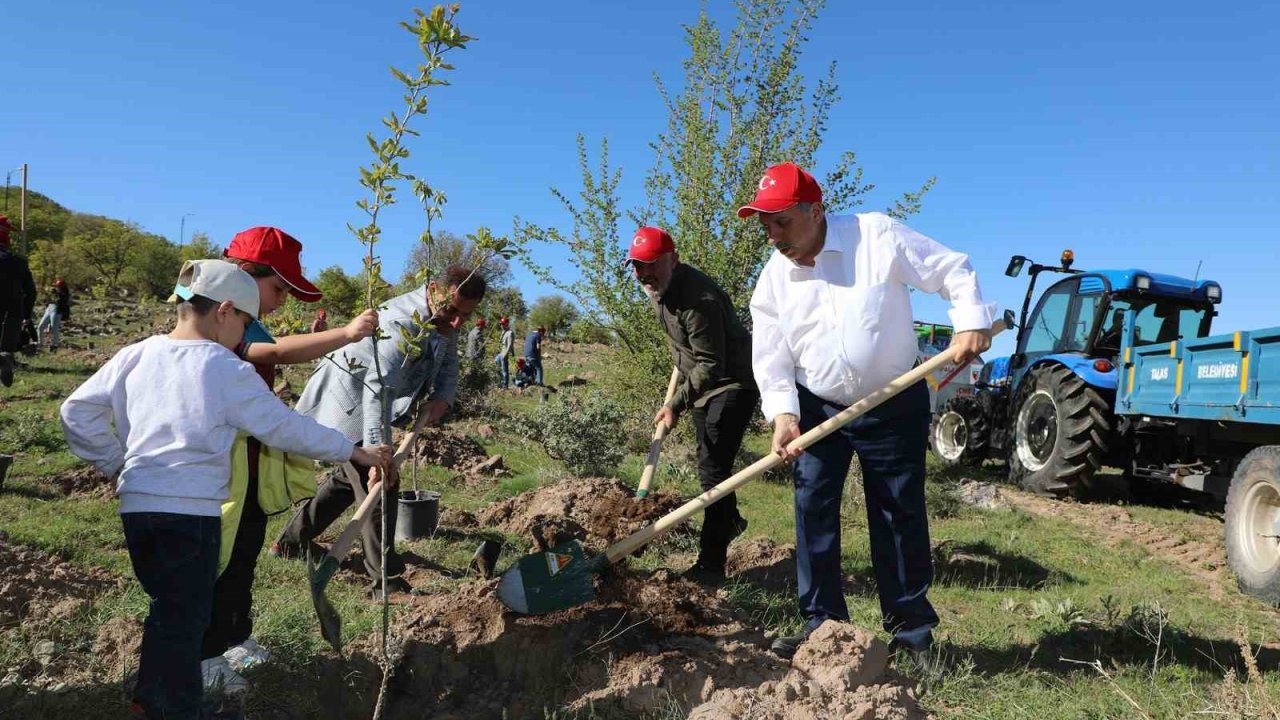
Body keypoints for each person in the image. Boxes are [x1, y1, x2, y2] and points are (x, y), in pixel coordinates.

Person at [59, 259, 391, 720]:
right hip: (191, 515)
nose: (247, 335)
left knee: (168, 610)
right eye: (247, 323)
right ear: (226, 310)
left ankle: (149, 698)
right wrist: (352, 452)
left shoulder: (136, 354)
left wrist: (118, 465)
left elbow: (76, 412)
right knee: (186, 618)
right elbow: (283, 427)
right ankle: (172, 707)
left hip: (139, 511)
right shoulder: (222, 366)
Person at [741, 163, 993, 660]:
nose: (772, 235)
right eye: (765, 224)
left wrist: (969, 321)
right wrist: (783, 415)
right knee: (813, 512)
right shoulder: (774, 278)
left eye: (781, 222)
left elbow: (951, 269)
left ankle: (911, 635)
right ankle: (823, 630)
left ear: (815, 211)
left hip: (892, 401)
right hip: (817, 408)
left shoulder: (877, 236)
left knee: (897, 513)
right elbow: (770, 354)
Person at [201, 226, 380, 693]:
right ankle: (204, 657)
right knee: (218, 562)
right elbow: (276, 353)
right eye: (278, 287)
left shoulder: (244, 320)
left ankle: (232, 637)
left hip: (248, 472)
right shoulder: (222, 325)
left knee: (242, 556)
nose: (281, 300)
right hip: (222, 470)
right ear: (243, 274)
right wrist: (346, 334)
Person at [273, 265, 487, 598]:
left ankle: (289, 543)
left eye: (465, 315)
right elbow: (377, 390)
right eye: (453, 310)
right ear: (433, 289)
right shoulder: (401, 324)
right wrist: (378, 453)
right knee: (381, 485)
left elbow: (447, 360)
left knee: (350, 480)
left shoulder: (444, 318)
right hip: (347, 401)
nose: (458, 321)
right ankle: (385, 582)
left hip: (371, 400)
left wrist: (443, 398)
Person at [628, 226, 758, 584]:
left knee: (713, 472)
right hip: (702, 385)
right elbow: (687, 349)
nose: (643, 274)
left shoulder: (697, 299)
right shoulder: (660, 289)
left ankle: (711, 566)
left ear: (673, 259)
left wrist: (675, 403)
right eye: (637, 266)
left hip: (731, 383)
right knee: (710, 464)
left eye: (651, 264)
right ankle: (729, 520)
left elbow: (711, 363)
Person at [0, 215, 36, 387]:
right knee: (6, 348)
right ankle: (5, 358)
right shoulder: (19, 262)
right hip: (14, 313)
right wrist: (26, 314)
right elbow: (31, 292)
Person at [35, 284, 61, 350]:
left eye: (57, 286)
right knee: (40, 327)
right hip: (49, 308)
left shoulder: (63, 294)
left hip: (57, 309)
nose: (54, 288)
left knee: (54, 328)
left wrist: (57, 294)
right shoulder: (50, 294)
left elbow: (62, 302)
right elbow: (46, 301)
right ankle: (40, 343)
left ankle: (55, 345)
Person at [495, 316, 514, 388]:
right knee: (496, 365)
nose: (501, 325)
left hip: (507, 354)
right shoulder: (503, 332)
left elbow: (510, 345)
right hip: (501, 353)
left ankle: (505, 386)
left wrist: (505, 355)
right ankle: (500, 382)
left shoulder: (510, 333)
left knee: (505, 370)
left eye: (503, 324)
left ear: (507, 324)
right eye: (501, 324)